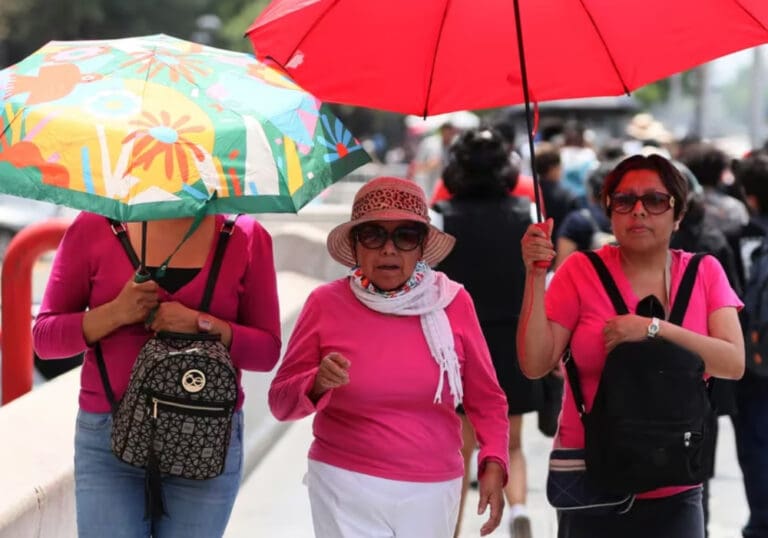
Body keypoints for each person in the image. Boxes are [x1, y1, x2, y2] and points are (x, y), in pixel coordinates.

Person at [268, 176, 510, 538]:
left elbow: (487, 398)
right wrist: (315, 383)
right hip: (343, 484)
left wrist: (494, 460)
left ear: (421, 246)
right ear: (355, 244)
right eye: (373, 235)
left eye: (406, 236)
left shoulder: (453, 302)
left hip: (432, 488)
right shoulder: (324, 304)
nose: (389, 249)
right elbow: (280, 403)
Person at [517, 154, 744, 538]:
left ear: (678, 214)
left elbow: (732, 362)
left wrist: (653, 329)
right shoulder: (580, 271)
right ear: (609, 211)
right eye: (624, 200)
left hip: (675, 480)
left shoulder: (704, 272)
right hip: (591, 478)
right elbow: (535, 363)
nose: (638, 210)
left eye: (655, 200)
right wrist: (535, 277)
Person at [32, 212, 281, 538]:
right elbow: (45, 339)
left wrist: (201, 324)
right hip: (108, 437)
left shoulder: (244, 235)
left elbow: (267, 352)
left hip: (206, 436)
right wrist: (116, 312)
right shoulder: (95, 226)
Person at [433, 127, 538, 538]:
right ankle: (520, 509)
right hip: (513, 338)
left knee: (460, 450)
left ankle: (452, 529)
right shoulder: (527, 213)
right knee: (512, 442)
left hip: (456, 344)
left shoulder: (440, 217)